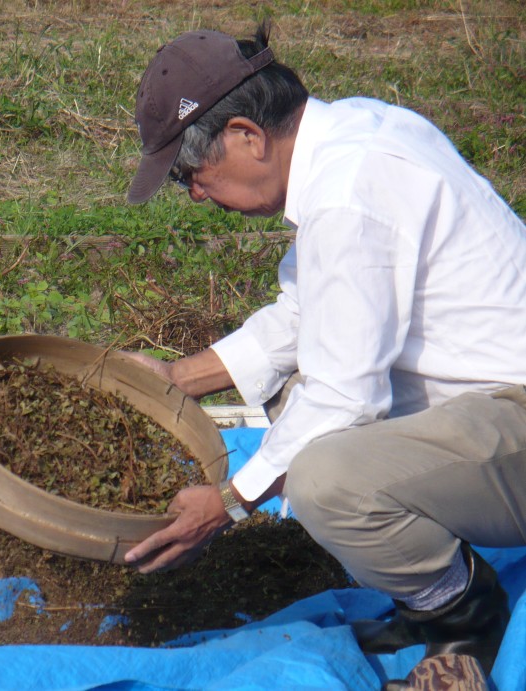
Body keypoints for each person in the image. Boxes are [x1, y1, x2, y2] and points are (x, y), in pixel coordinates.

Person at [121, 22, 526, 689]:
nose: (195, 194)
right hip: (483, 400)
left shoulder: (347, 192)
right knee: (293, 405)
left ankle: (460, 613)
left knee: (323, 478)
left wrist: (227, 501)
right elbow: (307, 314)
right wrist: (176, 379)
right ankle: (422, 594)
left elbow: (345, 396)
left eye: (191, 174)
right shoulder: (354, 133)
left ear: (247, 137)